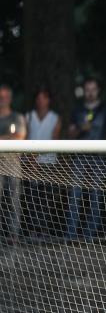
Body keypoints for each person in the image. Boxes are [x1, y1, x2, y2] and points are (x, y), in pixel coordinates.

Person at [67, 77, 106, 240]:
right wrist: (81, 128)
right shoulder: (77, 109)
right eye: (87, 89)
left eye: (93, 89)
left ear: (98, 90)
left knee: (96, 198)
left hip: (99, 159)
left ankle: (90, 236)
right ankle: (71, 235)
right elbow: (70, 135)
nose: (90, 93)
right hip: (79, 157)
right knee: (75, 196)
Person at [24, 87, 62, 239]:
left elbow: (54, 139)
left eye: (44, 98)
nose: (41, 101)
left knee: (46, 198)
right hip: (31, 162)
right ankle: (33, 230)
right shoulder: (28, 116)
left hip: (48, 162)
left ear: (49, 100)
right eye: (38, 98)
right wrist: (32, 158)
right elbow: (26, 138)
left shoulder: (55, 118)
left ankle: (44, 230)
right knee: (32, 198)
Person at [0, 84, 26, 242]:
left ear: (10, 98)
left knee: (13, 199)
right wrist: (7, 137)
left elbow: (19, 136)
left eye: (5, 96)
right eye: (0, 96)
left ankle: (13, 235)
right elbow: (12, 136)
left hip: (12, 164)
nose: (2, 99)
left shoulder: (17, 117)